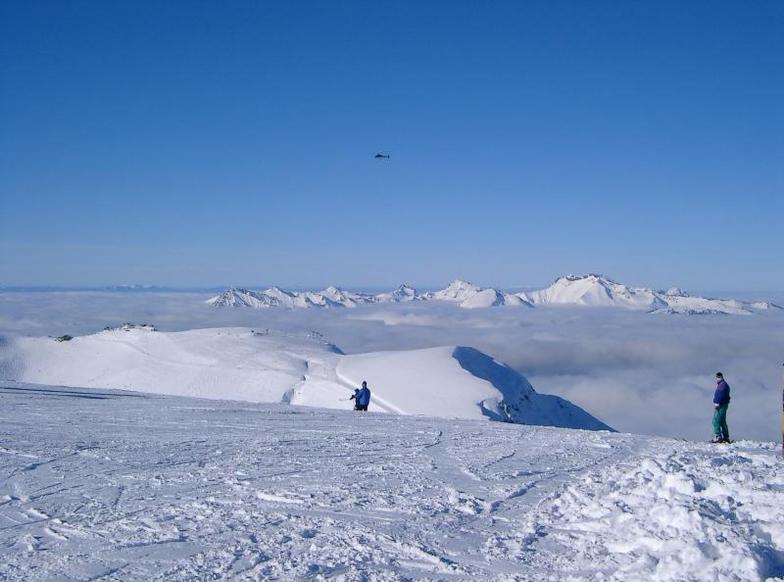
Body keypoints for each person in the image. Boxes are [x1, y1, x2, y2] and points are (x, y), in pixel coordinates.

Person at [711, 372, 731, 443]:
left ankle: (718, 436)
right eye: (717, 376)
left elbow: (720, 395)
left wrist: (717, 403)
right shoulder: (722, 384)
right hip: (723, 404)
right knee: (722, 421)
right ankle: (726, 437)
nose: (717, 378)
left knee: (716, 421)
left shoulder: (722, 385)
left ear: (722, 377)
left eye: (719, 376)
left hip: (721, 405)